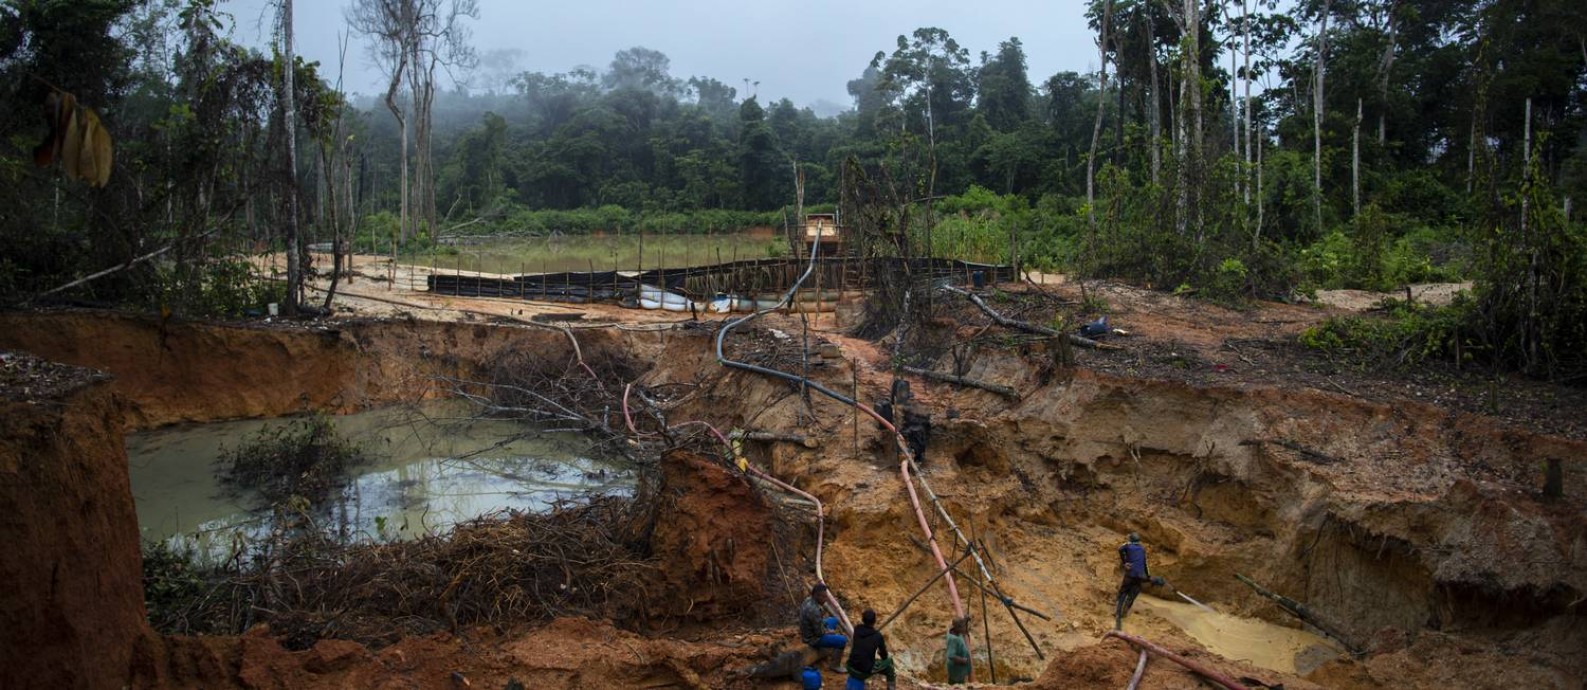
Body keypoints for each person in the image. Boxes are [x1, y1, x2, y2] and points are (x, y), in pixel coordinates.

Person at [800, 584, 848, 672]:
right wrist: (828, 631)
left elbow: (818, 621)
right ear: (816, 595)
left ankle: (832, 645)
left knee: (833, 620)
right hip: (813, 639)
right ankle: (835, 665)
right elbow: (819, 633)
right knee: (842, 640)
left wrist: (825, 627)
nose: (825, 599)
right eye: (823, 597)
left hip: (810, 630)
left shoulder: (808, 600)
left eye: (826, 596)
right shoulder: (813, 610)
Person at [845, 609, 896, 690]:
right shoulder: (877, 636)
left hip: (850, 666)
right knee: (889, 664)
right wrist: (881, 653)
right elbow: (884, 656)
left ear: (863, 619)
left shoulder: (857, 629)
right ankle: (891, 688)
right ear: (874, 621)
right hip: (863, 671)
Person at [1115, 532, 1151, 629]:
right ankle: (1125, 610)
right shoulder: (1142, 549)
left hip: (1130, 573)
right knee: (1133, 593)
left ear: (1130, 539)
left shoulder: (1127, 546)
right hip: (1140, 575)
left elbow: (1120, 549)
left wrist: (1125, 562)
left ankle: (1118, 612)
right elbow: (1145, 563)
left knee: (1123, 591)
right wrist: (1148, 576)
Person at [944, 617, 972, 684]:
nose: (964, 629)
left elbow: (960, 626)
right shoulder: (953, 640)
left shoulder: (955, 631)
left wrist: (965, 620)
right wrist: (963, 660)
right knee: (957, 685)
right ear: (957, 628)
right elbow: (951, 655)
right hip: (956, 668)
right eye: (962, 627)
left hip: (959, 667)